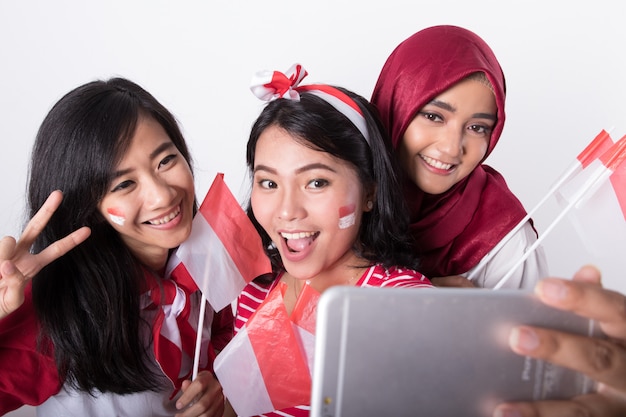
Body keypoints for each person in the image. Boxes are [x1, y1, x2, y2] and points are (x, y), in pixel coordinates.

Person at [0, 77, 233, 417]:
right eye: (124, 184)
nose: (162, 195)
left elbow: (230, 341)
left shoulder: (210, 265)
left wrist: (220, 397)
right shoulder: (61, 310)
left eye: (165, 161)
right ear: (87, 206)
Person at [219, 65, 433, 416]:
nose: (287, 211)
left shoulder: (404, 307)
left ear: (369, 193)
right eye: (269, 183)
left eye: (316, 182)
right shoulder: (250, 296)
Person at [371, 25, 548, 289]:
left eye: (477, 128)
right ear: (394, 105)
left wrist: (463, 322)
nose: (453, 149)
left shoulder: (507, 242)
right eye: (434, 116)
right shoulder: (338, 196)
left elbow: (533, 330)